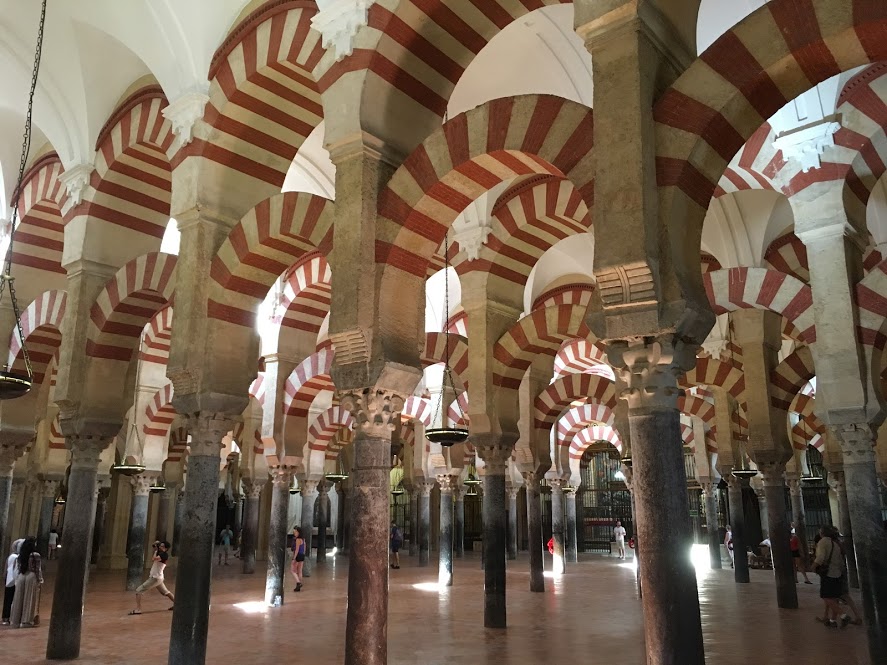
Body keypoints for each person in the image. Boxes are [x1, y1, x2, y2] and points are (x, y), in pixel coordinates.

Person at [129, 541, 174, 615]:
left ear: (166, 548)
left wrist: (156, 550)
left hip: (155, 578)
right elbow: (154, 547)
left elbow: (153, 559)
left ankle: (138, 609)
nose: (160, 547)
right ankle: (178, 605)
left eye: (162, 546)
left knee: (138, 591)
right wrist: (156, 547)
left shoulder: (164, 555)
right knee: (166, 592)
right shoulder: (160, 553)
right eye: (160, 546)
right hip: (159, 578)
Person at [814, 525, 845, 628]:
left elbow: (820, 558)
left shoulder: (823, 542)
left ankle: (843, 615)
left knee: (826, 597)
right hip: (837, 573)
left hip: (828, 574)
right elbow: (840, 561)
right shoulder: (835, 543)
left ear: (822, 533)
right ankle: (832, 621)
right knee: (834, 597)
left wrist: (813, 566)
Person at [9, 537, 42, 628]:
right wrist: (40, 579)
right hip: (31, 576)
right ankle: (26, 621)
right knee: (29, 598)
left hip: (21, 576)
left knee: (18, 598)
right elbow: (37, 569)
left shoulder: (21, 555)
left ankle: (15, 620)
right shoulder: (35, 554)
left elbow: (18, 568)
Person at [3, 539, 23, 625]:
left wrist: (5, 578)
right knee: (13, 599)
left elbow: (5, 569)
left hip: (8, 579)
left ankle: (5, 617)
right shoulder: (17, 557)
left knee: (7, 599)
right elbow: (16, 569)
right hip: (14, 580)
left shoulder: (10, 556)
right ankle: (11, 616)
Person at [291, 527, 305, 592]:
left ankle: (298, 583)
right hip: (302, 555)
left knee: (293, 571)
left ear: (299, 532)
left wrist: (294, 558)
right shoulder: (303, 539)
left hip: (298, 555)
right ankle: (299, 585)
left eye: (296, 532)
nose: (294, 533)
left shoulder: (297, 540)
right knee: (300, 571)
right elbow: (304, 548)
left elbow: (296, 550)